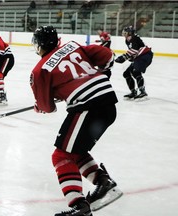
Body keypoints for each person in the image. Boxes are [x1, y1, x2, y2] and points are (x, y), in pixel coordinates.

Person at [30, 26, 123, 216]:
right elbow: (106, 55)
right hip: (108, 103)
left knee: (61, 156)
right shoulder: (72, 46)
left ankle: (79, 206)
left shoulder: (40, 70)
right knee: (74, 150)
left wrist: (41, 106)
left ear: (39, 45)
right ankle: (104, 183)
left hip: (89, 107)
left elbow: (47, 107)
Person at [115, 26, 153, 99]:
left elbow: (134, 50)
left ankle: (142, 92)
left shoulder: (134, 38)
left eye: (125, 32)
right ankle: (133, 92)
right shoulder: (127, 40)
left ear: (130, 33)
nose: (124, 34)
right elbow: (134, 52)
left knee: (136, 72)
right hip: (140, 57)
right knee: (126, 74)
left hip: (145, 56)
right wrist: (129, 57)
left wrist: (123, 57)